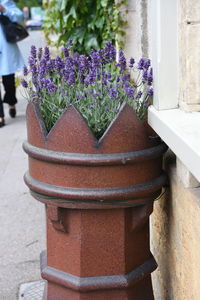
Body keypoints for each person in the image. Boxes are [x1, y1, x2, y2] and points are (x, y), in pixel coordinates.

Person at [0, 0, 24, 127]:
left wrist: (3, 9)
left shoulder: (5, 2)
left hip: (5, 48)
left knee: (8, 81)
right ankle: (0, 116)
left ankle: (11, 102)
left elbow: (20, 16)